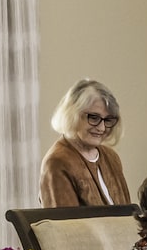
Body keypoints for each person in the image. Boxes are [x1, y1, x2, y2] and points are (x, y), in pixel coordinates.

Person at [41, 78, 130, 206]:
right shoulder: (57, 162)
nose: (102, 128)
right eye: (94, 118)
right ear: (72, 114)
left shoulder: (111, 157)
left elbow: (127, 215)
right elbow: (66, 224)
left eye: (108, 120)